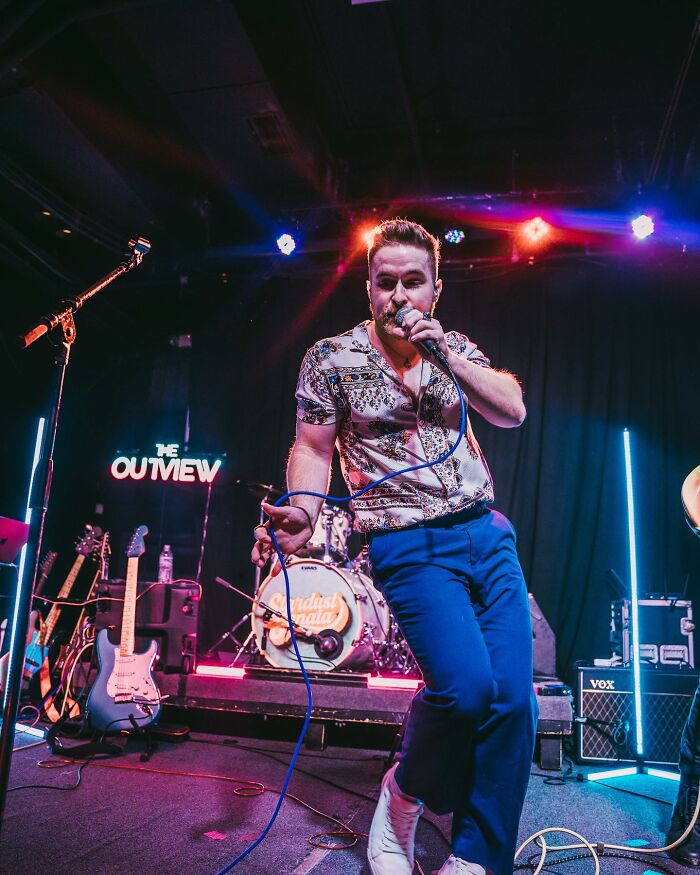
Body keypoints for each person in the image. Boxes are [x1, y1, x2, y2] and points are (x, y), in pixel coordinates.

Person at [252, 219, 537, 875]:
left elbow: (512, 409)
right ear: (369, 287)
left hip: (486, 533)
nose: (399, 294)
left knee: (514, 700)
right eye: (387, 282)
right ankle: (403, 796)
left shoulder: (454, 346)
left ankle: (475, 855)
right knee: (465, 688)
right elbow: (311, 447)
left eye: (414, 281)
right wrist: (302, 508)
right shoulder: (331, 358)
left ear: (435, 290)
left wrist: (447, 357)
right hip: (407, 542)